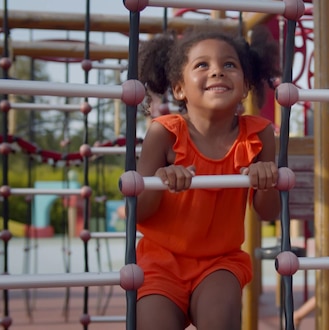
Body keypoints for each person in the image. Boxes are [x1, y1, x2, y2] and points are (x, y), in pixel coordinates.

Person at [135, 25, 281, 330]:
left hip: (220, 261)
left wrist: (266, 179)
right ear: (179, 89)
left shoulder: (260, 134)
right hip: (160, 261)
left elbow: (269, 212)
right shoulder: (164, 132)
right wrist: (162, 181)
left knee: (221, 318)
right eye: (202, 65)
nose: (217, 72)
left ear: (245, 87)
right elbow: (140, 210)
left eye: (229, 65)